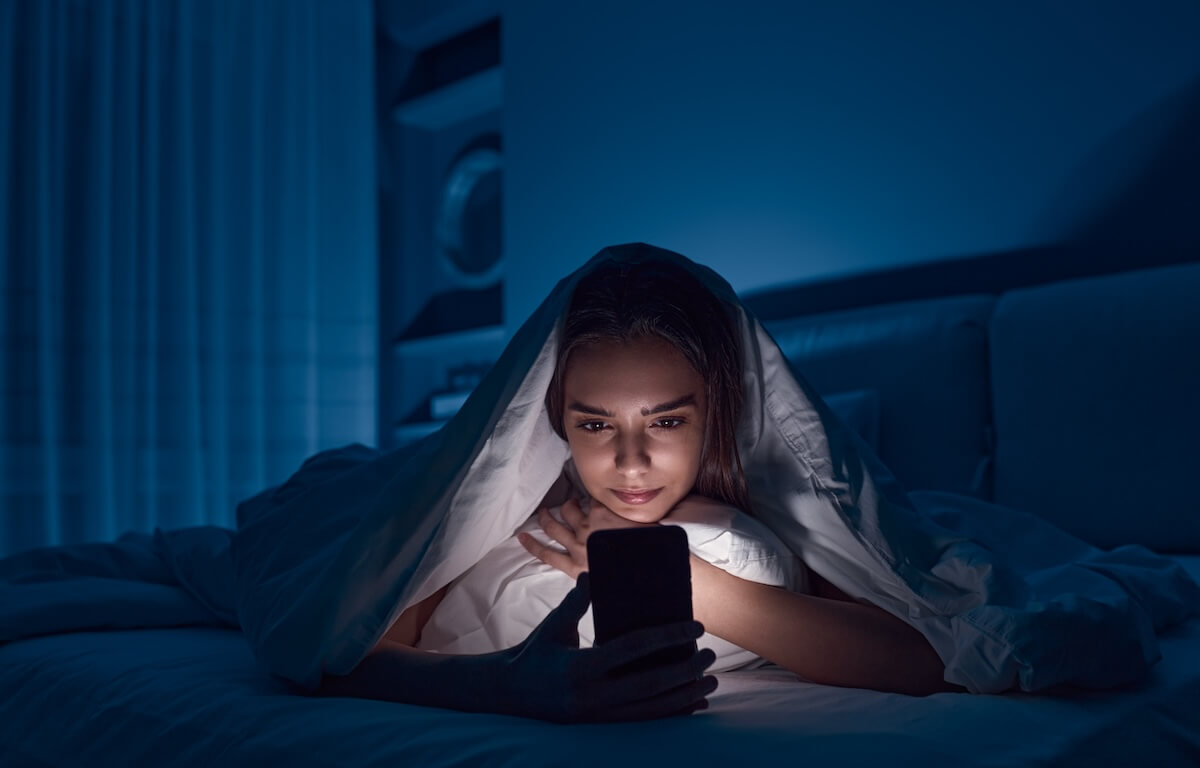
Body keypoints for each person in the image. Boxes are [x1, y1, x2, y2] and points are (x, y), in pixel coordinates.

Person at [318, 254, 959, 722]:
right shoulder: (519, 493)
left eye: (668, 421)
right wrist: (508, 686)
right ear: (555, 418)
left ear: (719, 410)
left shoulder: (776, 494)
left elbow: (919, 662)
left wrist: (665, 567)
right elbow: (345, 652)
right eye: (594, 423)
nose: (630, 463)